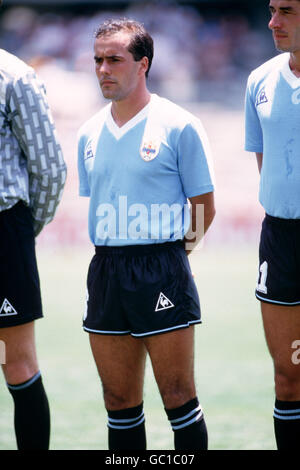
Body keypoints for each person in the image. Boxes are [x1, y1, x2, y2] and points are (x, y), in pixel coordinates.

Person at [77, 18, 215, 450]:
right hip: (106, 268)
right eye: (98, 60)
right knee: (118, 401)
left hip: (162, 266)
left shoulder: (178, 124)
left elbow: (203, 208)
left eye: (114, 59)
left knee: (177, 398)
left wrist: (174, 259)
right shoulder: (88, 133)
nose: (103, 69)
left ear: (143, 64)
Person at [0, 0, 67, 449]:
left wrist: (25, 230)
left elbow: (49, 168)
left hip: (4, 229)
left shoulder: (14, 75)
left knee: (18, 364)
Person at [245, 0, 300, 450]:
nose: (273, 22)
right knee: (289, 377)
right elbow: (265, 163)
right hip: (281, 240)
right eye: (271, 9)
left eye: (287, 11)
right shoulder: (259, 80)